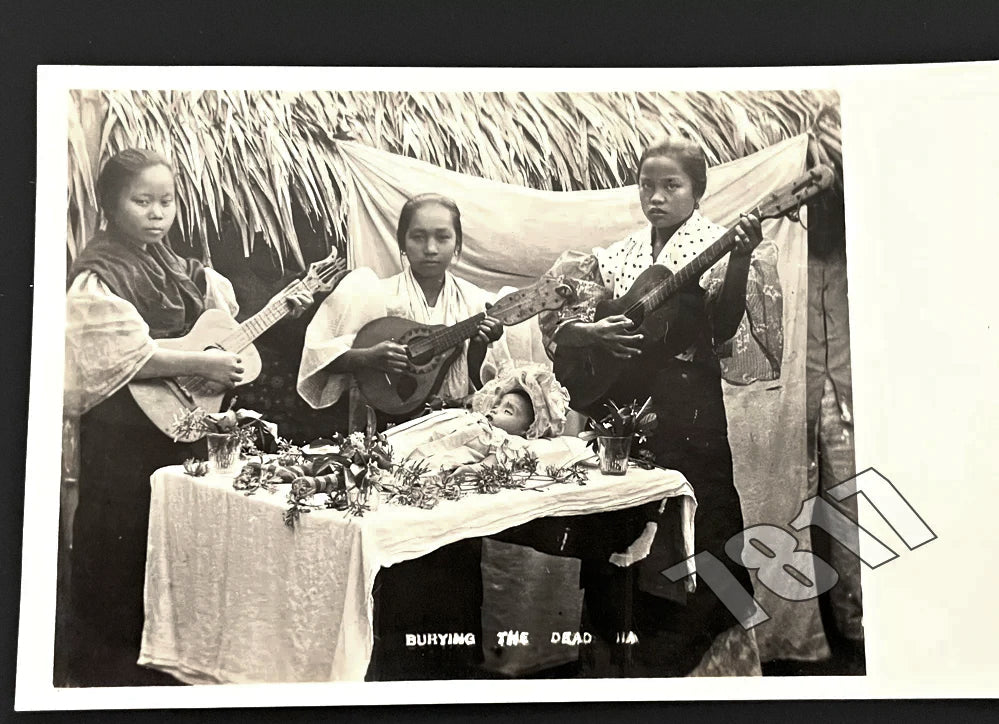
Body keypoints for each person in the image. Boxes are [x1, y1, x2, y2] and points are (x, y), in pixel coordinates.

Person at [63, 148, 312, 687]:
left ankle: (176, 661)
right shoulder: (98, 276)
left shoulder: (186, 271)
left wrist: (231, 366)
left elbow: (227, 337)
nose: (157, 213)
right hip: (123, 442)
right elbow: (123, 355)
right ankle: (111, 671)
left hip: (180, 433)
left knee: (183, 539)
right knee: (123, 544)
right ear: (110, 204)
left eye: (166, 202)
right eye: (142, 201)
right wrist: (203, 363)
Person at [538, 136, 784, 676]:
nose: (656, 196)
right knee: (620, 530)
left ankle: (696, 676)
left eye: (671, 185)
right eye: (647, 185)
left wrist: (739, 258)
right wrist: (592, 332)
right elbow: (560, 319)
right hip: (620, 414)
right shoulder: (618, 255)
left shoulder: (717, 243)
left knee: (703, 524)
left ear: (698, 190)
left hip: (689, 415)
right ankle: (617, 672)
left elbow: (721, 328)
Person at [297, 193, 504, 424]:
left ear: (457, 244)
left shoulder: (474, 302)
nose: (431, 248)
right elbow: (319, 359)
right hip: (385, 427)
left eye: (443, 237)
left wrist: (479, 346)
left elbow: (482, 384)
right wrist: (367, 358)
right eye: (418, 237)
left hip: (458, 425)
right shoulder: (375, 295)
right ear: (402, 242)